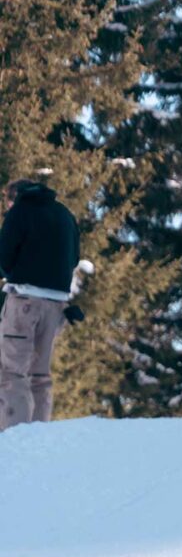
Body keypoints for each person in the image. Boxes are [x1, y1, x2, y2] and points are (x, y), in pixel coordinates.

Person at [0, 178, 80, 431]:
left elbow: (4, 257)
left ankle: (14, 434)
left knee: (12, 373)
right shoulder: (65, 214)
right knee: (40, 375)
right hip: (56, 303)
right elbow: (74, 259)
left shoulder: (20, 211)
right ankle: (38, 435)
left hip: (25, 300)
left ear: (14, 197)